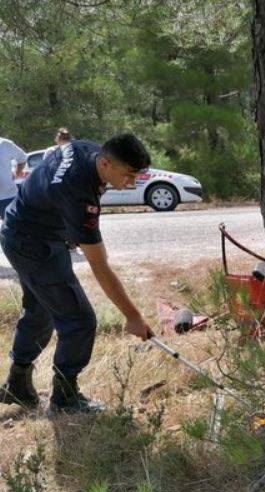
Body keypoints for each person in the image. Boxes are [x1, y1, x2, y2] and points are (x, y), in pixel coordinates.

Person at [0, 134, 153, 413]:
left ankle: (17, 384)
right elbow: (99, 265)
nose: (132, 183)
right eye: (129, 175)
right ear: (105, 163)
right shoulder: (79, 192)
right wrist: (133, 316)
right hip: (33, 243)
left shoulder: (87, 149)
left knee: (41, 309)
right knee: (79, 319)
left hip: (22, 230)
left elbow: (53, 164)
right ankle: (65, 398)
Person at [0, 137, 27, 218]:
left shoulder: (4, 144)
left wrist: (16, 173)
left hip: (8, 196)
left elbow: (22, 158)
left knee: (15, 226)